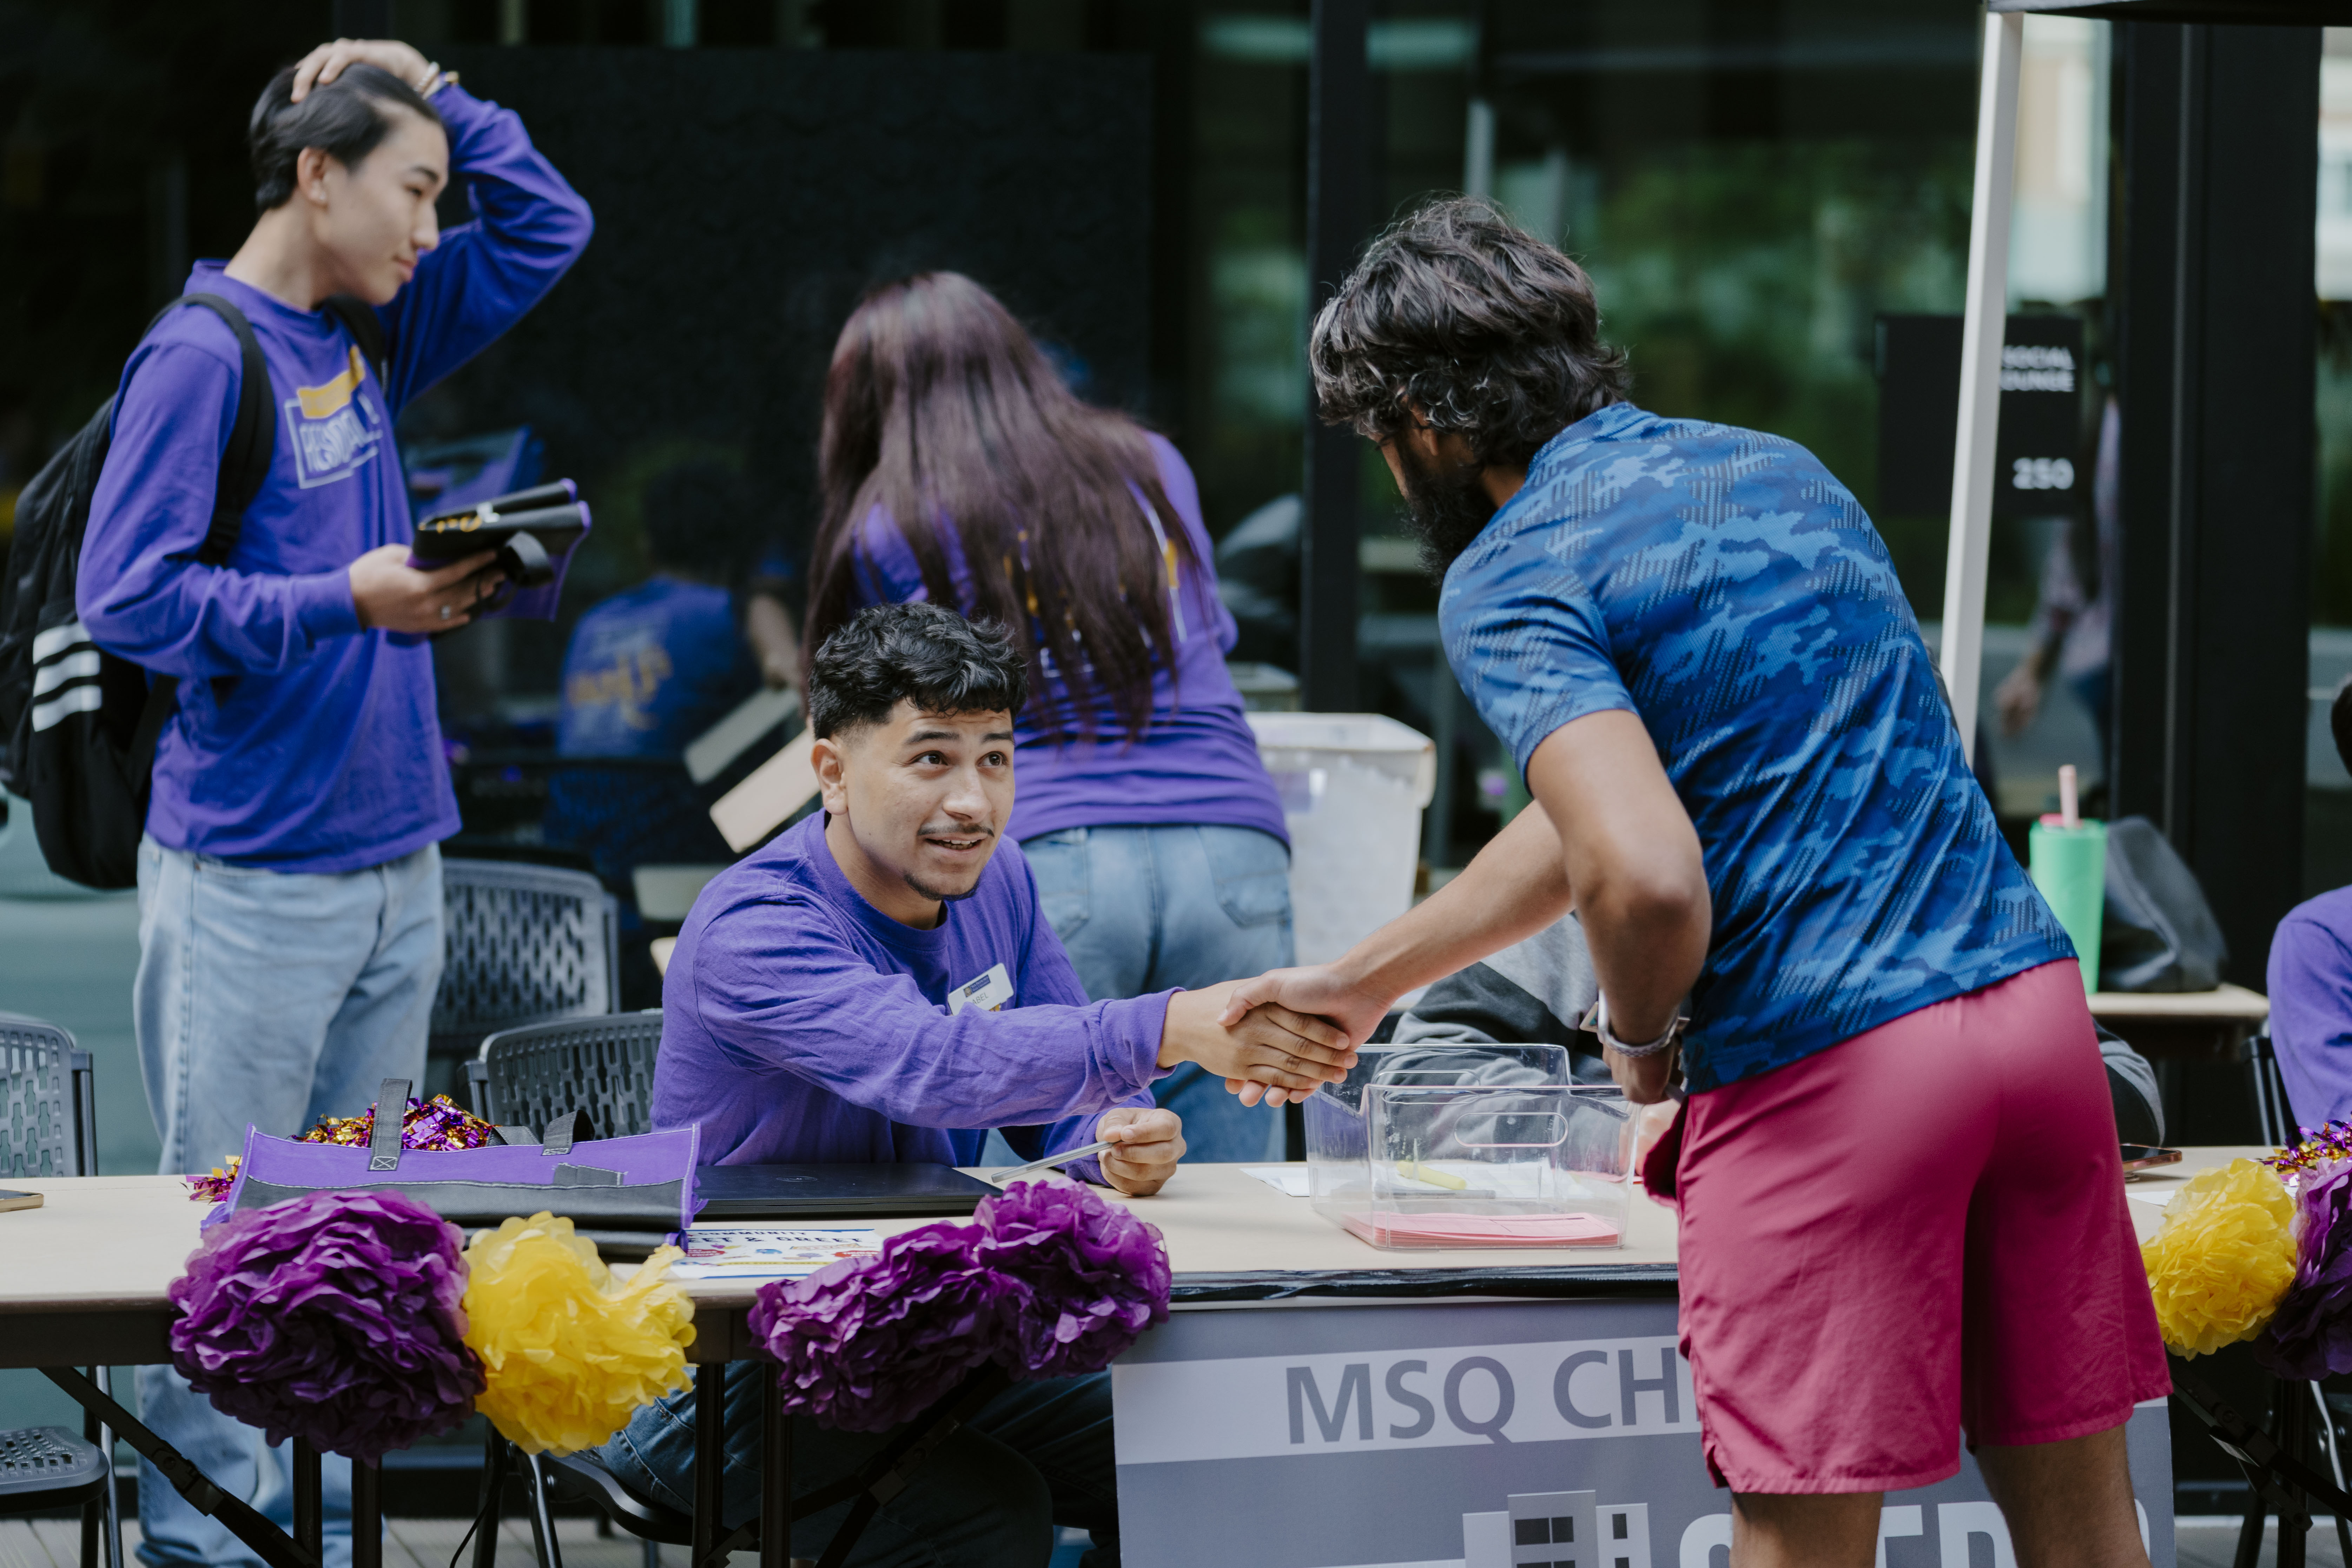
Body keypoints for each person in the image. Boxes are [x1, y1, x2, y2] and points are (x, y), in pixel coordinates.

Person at [1217, 199, 2165, 1568]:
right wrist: (1365, 983)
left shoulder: (1510, 566)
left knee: (1804, 1537)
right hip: (2033, 1020)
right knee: (2087, 1542)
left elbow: (1644, 873)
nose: (1386, 468)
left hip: (1833, 1070)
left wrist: (1645, 1056)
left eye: (1377, 435)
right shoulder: (1781, 469)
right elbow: (1601, 823)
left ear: (1427, 415)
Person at [74, 38, 590, 1568]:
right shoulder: (202, 353)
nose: (435, 230)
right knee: (230, 1231)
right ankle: (201, 1543)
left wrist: (433, 80)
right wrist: (343, 600)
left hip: (394, 859)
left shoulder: (367, 328)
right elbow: (129, 598)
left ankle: (323, 1530)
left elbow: (551, 225)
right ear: (317, 175)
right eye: (414, 190)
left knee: (363, 1235)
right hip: (252, 875)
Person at [607, 601, 1353, 1567]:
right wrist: (1167, 1026)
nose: (972, 801)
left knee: (1196, 1438)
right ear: (830, 770)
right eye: (931, 759)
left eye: (993, 758)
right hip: (729, 1365)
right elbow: (931, 1066)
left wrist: (1117, 1127)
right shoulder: (757, 925)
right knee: (991, 1517)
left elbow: (1053, 1089)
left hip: (918, 1332)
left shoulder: (996, 881)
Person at [801, 272, 1296, 1163]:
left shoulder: (890, 522)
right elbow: (1206, 633)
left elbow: (893, 701)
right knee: (1217, 1198)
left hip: (1054, 858)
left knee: (1035, 1200)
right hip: (1233, 845)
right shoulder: (1152, 462)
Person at [557, 459, 765, 757]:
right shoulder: (726, 615)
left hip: (570, 804)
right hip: (674, 800)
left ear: (647, 548)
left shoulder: (592, 623)